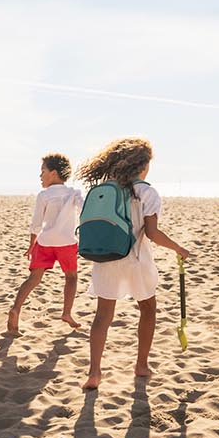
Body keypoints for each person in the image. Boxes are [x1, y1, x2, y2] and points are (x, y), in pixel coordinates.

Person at [79, 137, 190, 389]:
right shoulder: (147, 192)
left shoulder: (105, 189)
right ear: (143, 165)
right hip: (136, 260)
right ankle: (141, 365)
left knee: (102, 315)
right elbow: (152, 233)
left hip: (106, 258)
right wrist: (178, 248)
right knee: (148, 308)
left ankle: (94, 372)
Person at [7, 152, 83, 334]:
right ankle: (66, 313)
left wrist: (31, 245)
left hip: (45, 241)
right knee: (71, 277)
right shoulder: (74, 193)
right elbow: (85, 211)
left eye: (42, 171)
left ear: (54, 173)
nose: (40, 176)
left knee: (34, 278)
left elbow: (36, 223)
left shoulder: (44, 195)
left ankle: (16, 308)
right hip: (66, 242)